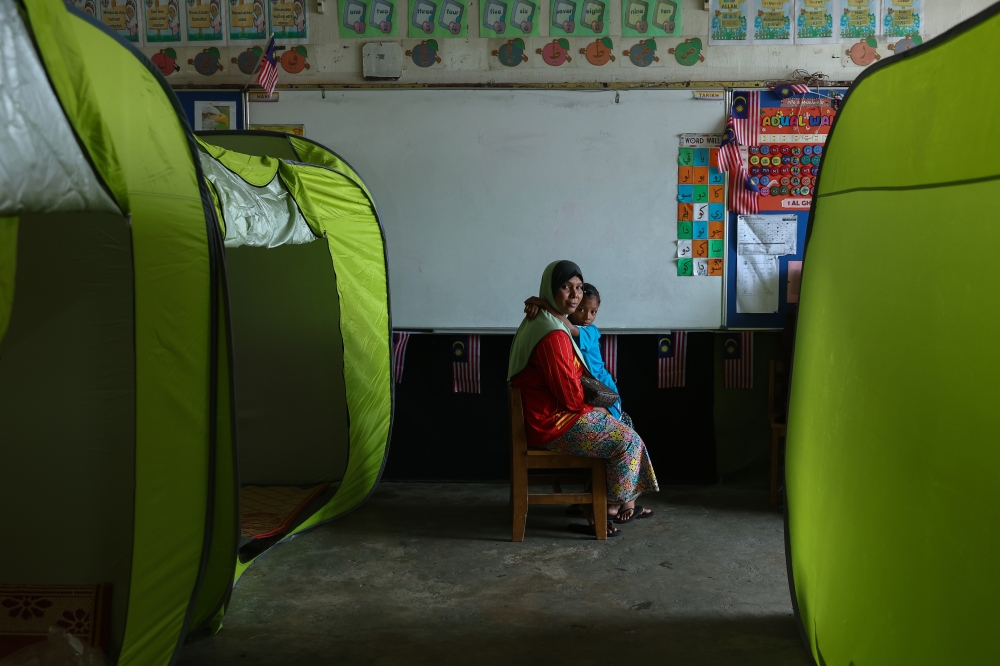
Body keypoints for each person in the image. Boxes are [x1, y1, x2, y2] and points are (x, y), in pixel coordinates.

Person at [509, 260, 658, 538]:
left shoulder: (546, 320)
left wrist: (540, 302)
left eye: (578, 287)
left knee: (623, 425)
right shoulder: (552, 335)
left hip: (549, 416)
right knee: (628, 441)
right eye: (566, 287)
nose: (575, 294)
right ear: (551, 290)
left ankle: (607, 502)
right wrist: (595, 407)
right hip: (553, 423)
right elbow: (570, 396)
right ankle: (603, 508)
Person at [523, 282, 623, 421]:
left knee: (612, 418)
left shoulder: (590, 331)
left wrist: (544, 304)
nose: (588, 316)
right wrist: (537, 307)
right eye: (581, 310)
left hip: (602, 384)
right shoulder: (558, 326)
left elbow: (570, 328)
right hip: (584, 385)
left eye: (593, 311)